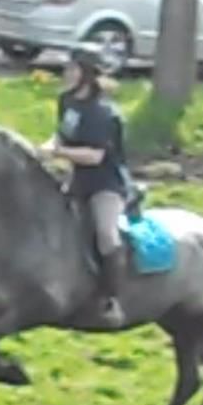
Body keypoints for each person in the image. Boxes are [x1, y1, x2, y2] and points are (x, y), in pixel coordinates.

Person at [39, 45, 131, 327]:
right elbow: (61, 135)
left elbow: (95, 156)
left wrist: (57, 153)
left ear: (87, 75)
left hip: (106, 184)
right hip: (78, 180)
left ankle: (110, 300)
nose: (66, 73)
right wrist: (47, 146)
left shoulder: (103, 113)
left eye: (72, 69)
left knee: (106, 235)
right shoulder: (67, 101)